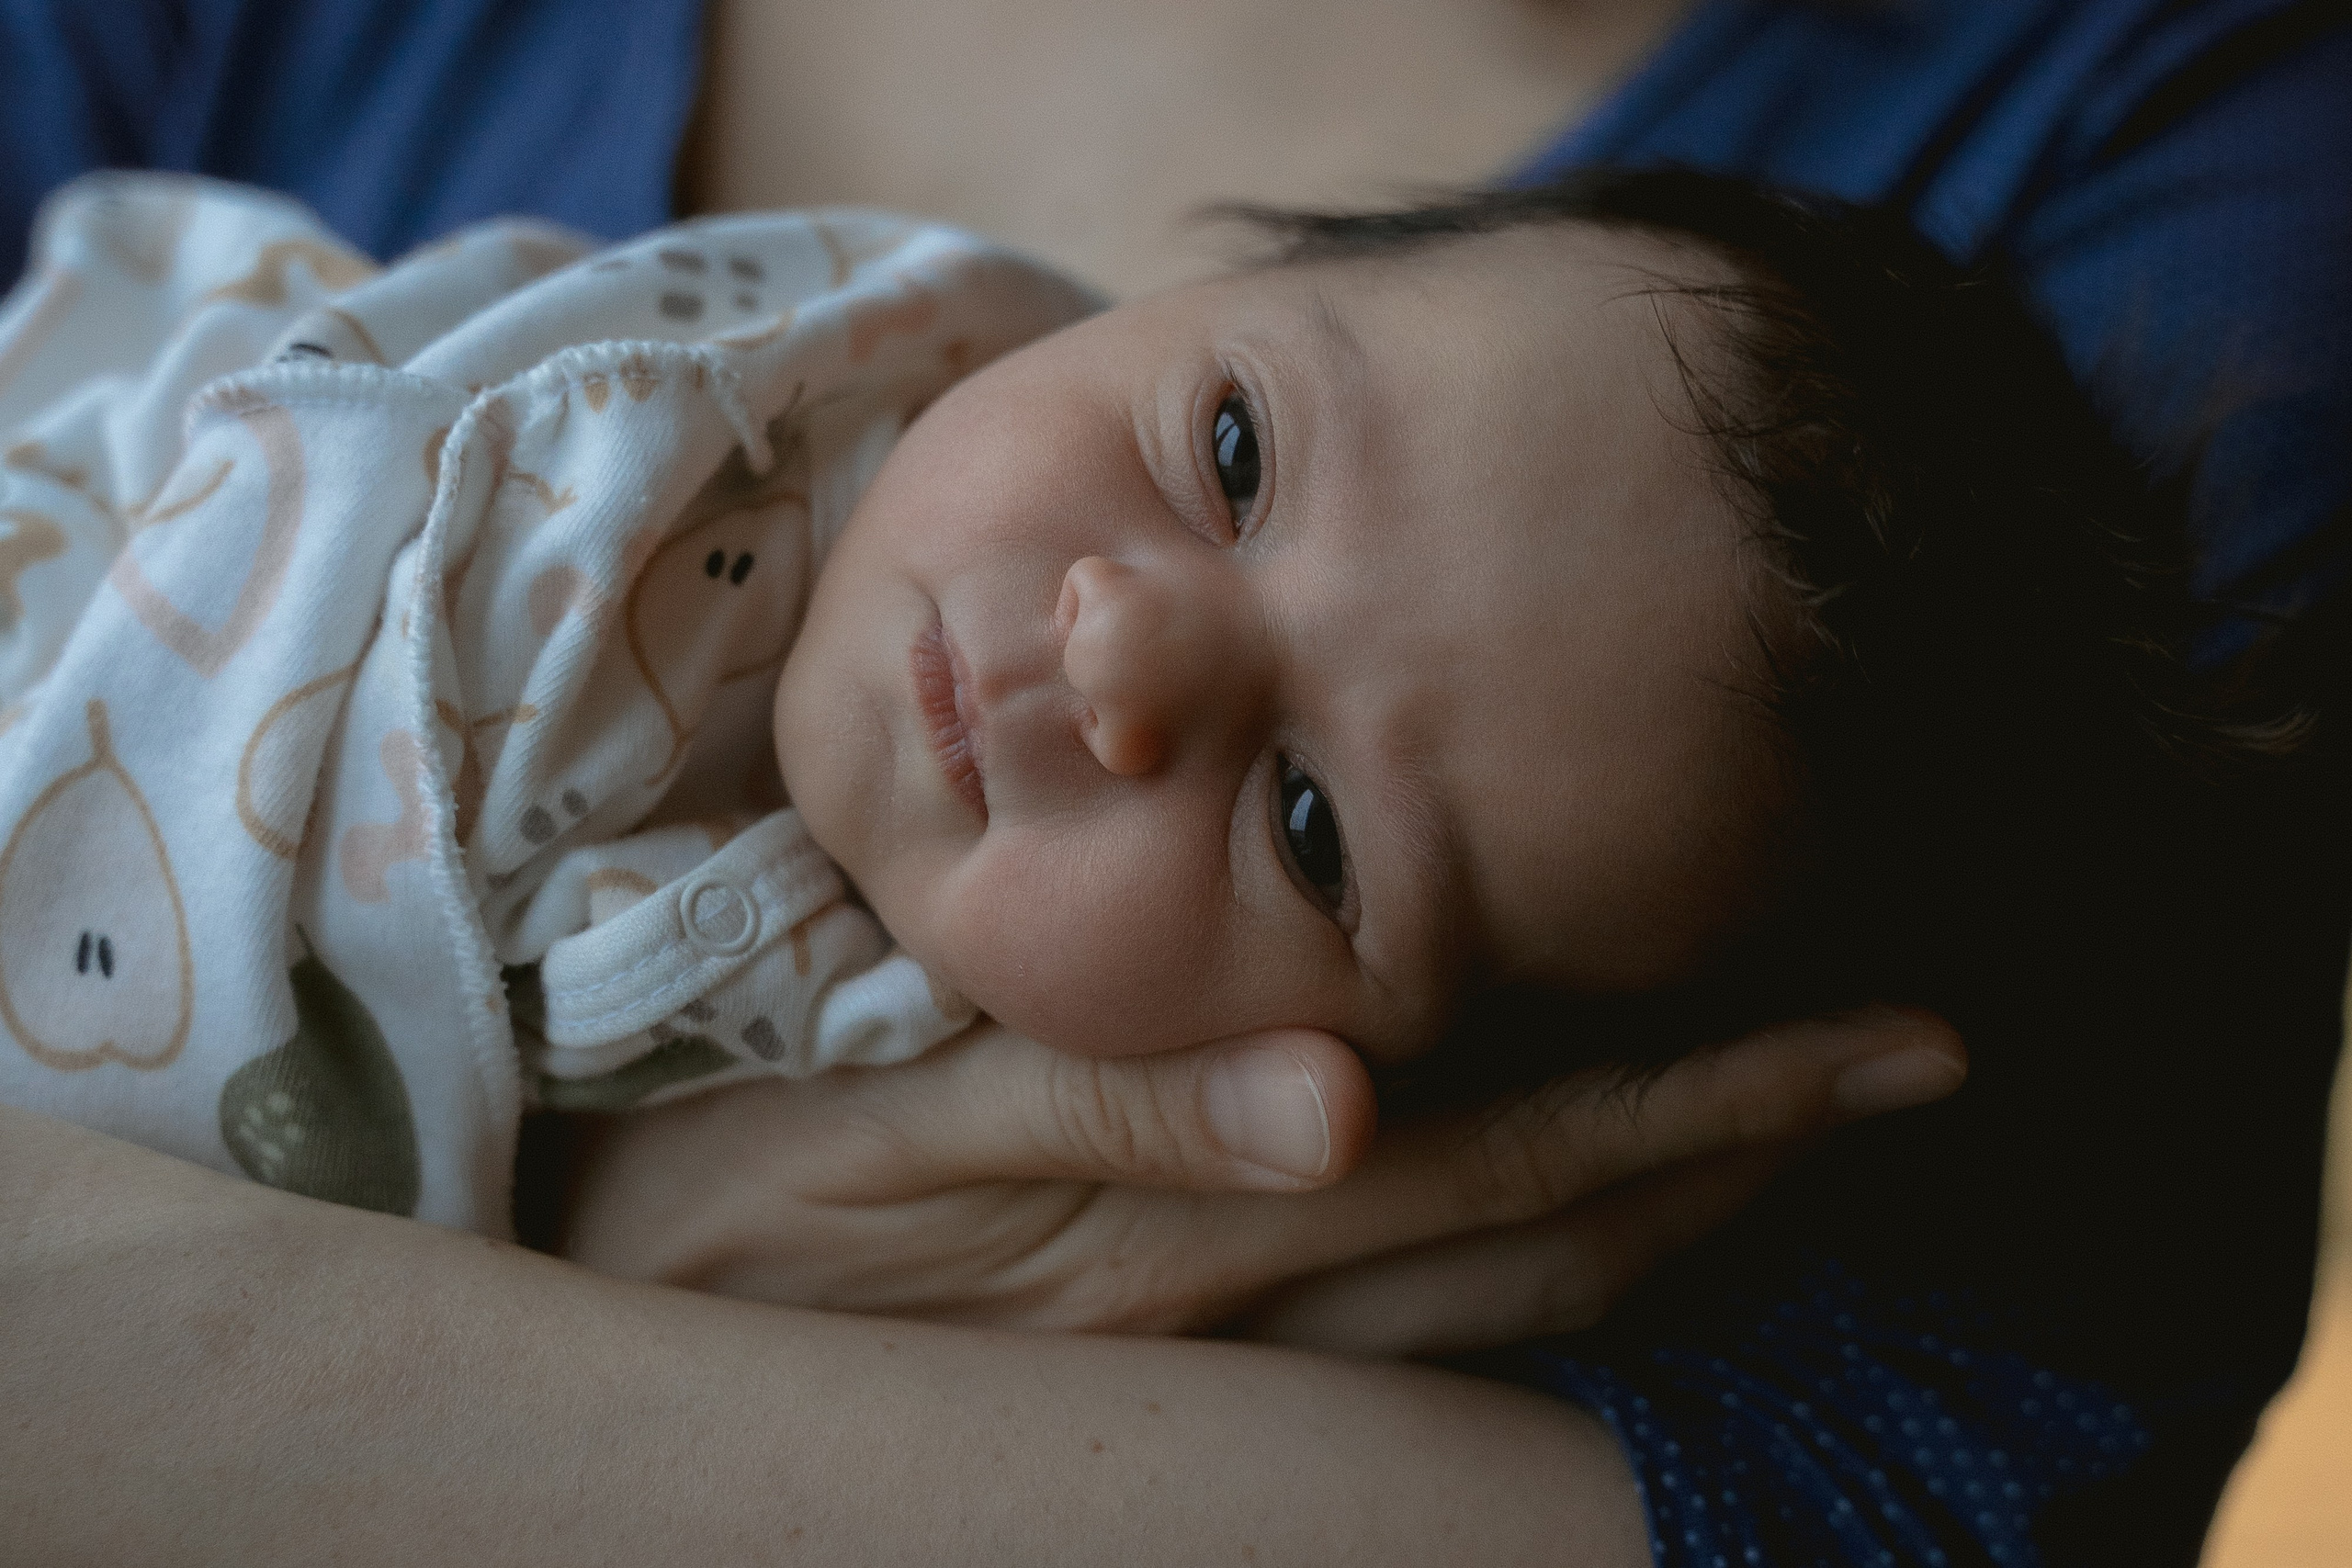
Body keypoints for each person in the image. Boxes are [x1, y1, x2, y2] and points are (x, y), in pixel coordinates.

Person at [2, 3, 2345, 1565]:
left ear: (1331, 1074)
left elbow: (1934, 1486)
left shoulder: (2188, 142)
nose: (1117, 652)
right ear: (1157, 289)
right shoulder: (740, 365)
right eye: (1223, 447)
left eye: (1311, 828)